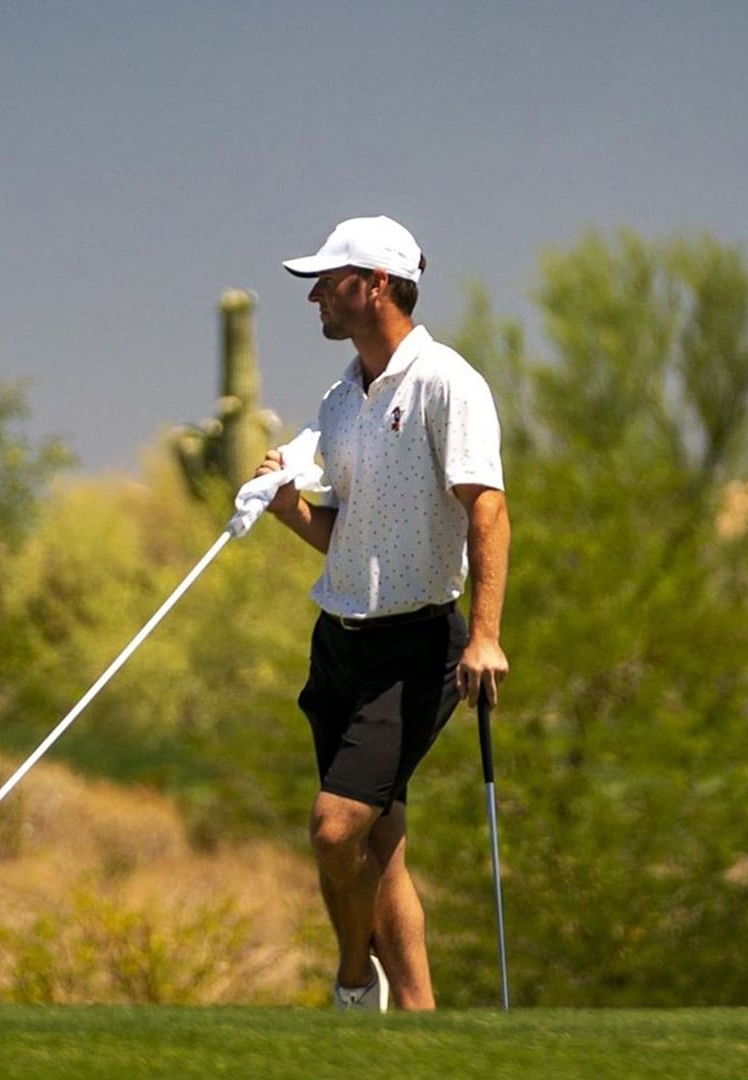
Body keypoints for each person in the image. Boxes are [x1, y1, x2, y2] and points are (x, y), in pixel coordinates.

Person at [257, 215, 510, 1012]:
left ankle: (350, 978)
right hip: (338, 639)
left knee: (337, 830)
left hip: (414, 647)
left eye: (328, 283)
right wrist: (286, 505)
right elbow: (347, 535)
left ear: (373, 286)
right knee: (381, 850)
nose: (316, 298)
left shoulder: (446, 383)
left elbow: (489, 511)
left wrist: (488, 636)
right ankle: (417, 1016)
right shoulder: (342, 399)